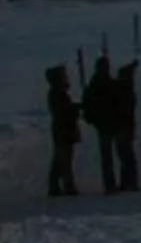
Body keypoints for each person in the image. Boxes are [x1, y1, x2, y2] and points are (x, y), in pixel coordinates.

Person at [83, 55, 120, 195]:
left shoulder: (96, 83)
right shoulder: (101, 84)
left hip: (106, 122)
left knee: (107, 155)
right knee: (109, 154)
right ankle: (110, 184)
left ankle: (110, 184)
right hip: (106, 122)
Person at [43, 66, 80, 199]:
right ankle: (66, 186)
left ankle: (56, 186)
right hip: (63, 130)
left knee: (60, 159)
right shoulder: (56, 93)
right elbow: (63, 112)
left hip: (63, 130)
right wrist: (75, 109)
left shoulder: (58, 92)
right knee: (64, 159)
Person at [111, 60, 140, 194]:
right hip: (127, 125)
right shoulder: (128, 88)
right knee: (126, 154)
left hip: (122, 125)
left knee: (125, 154)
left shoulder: (122, 89)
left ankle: (129, 182)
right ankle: (128, 182)